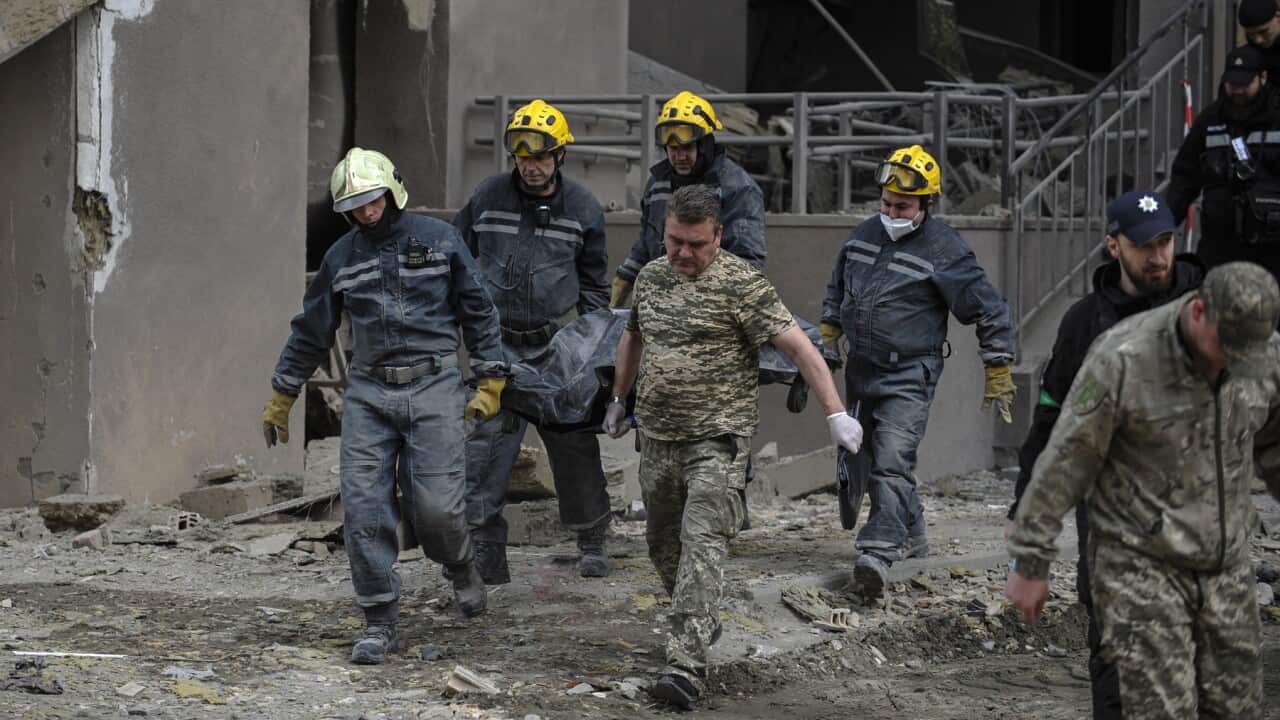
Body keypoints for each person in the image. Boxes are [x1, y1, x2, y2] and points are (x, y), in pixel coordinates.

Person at [603, 184, 864, 711]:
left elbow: (801, 348)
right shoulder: (652, 279)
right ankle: (701, 620)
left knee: (702, 547)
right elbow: (633, 336)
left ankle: (684, 665)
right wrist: (617, 397)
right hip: (656, 437)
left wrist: (835, 413)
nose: (684, 253)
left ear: (718, 237)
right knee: (663, 546)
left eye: (696, 244)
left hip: (716, 444)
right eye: (675, 241)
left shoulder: (742, 285)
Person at [262, 147, 507, 665]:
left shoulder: (440, 241)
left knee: (438, 509)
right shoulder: (342, 258)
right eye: (355, 207)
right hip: (370, 392)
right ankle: (379, 619)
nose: (367, 213)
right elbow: (312, 330)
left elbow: (479, 311)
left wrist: (489, 378)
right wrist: (283, 393)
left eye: (373, 201)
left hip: (435, 383)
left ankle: (461, 566)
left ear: (392, 192)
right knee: (366, 509)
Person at [1007, 262, 1280, 720]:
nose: (1235, 361)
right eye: (1226, 347)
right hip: (1140, 564)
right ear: (1198, 313)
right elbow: (1064, 464)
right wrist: (1031, 561)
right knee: (1161, 711)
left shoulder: (1261, 353)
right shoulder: (1124, 358)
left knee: (1239, 707)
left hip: (1224, 562)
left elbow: (1274, 439)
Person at [1008, 189, 1204, 719]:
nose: (1158, 256)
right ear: (1113, 246)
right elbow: (1050, 427)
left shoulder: (1207, 307)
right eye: (1144, 245)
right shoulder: (1084, 324)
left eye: (1165, 241)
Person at [820, 144, 1016, 598]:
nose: (891, 212)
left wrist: (998, 367)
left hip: (910, 373)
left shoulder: (946, 250)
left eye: (902, 206)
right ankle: (913, 530)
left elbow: (988, 310)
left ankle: (876, 552)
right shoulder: (863, 236)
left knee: (891, 459)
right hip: (861, 369)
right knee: (861, 458)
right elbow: (837, 288)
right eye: (886, 204)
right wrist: (828, 337)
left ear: (926, 204)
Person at [453, 99, 613, 583]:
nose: (531, 163)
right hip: (496, 349)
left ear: (560, 155)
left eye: (542, 155)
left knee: (574, 446)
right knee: (482, 452)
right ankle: (484, 557)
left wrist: (588, 352)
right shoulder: (487, 197)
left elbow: (596, 287)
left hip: (556, 352)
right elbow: (456, 257)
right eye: (522, 153)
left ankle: (591, 539)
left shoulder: (583, 208)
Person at [608, 90, 765, 308]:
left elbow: (748, 263)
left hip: (711, 307)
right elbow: (647, 242)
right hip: (661, 306)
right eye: (673, 149)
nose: (679, 157)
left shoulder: (738, 188)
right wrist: (624, 279)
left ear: (706, 144)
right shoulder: (657, 183)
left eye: (687, 148)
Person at [1168, 44, 1280, 283]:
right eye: (1232, 83)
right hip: (1220, 246)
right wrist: (1164, 224)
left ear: (1263, 77)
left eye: (1245, 83)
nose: (1237, 90)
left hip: (1272, 247)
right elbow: (1184, 177)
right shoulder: (1210, 121)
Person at [1240, 0, 1280, 79]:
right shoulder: (1246, 55)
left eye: (1263, 31)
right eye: (1251, 34)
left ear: (1278, 17)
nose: (1258, 40)